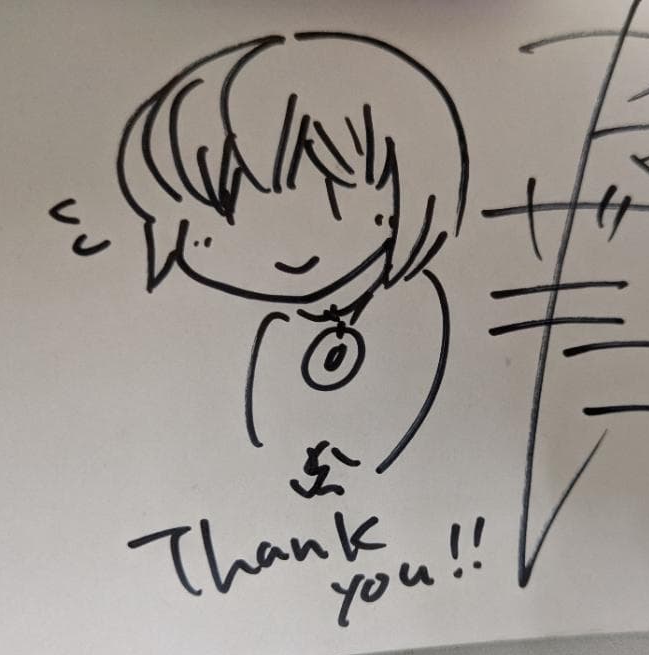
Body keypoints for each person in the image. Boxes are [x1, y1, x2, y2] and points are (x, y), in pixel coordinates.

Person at [117, 33, 468, 483]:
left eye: (333, 189)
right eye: (225, 210)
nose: (285, 241)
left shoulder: (412, 303)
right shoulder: (269, 328)